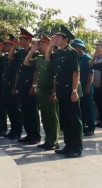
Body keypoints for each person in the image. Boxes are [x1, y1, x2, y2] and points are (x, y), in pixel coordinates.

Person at [46, 25, 83, 158]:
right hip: (61, 90)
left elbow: (76, 72)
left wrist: (74, 90)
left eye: (58, 37)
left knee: (74, 119)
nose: (56, 38)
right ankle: (68, 145)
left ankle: (76, 147)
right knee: (65, 120)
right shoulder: (59, 53)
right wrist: (50, 45)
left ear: (66, 39)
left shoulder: (72, 52)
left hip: (70, 90)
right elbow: (47, 58)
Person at [25, 35, 59, 150]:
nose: (39, 46)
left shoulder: (53, 58)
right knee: (44, 117)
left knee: (52, 117)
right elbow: (26, 62)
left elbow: (56, 77)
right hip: (41, 90)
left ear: (49, 45)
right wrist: (31, 51)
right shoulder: (39, 58)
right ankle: (48, 140)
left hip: (50, 90)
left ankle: (54, 140)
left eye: (42, 44)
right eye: (39, 44)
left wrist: (54, 93)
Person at [13, 28, 40, 144]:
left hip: (30, 86)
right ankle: (29, 134)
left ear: (28, 40)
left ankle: (35, 136)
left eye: (21, 39)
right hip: (22, 86)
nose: (19, 41)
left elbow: (36, 71)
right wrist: (16, 86)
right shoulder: (21, 53)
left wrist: (34, 85)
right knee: (24, 112)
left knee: (32, 112)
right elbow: (19, 71)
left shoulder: (35, 53)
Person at [2, 34, 22, 139]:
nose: (5, 46)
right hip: (7, 85)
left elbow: (17, 73)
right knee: (10, 109)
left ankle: (17, 131)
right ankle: (13, 129)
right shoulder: (7, 55)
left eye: (7, 44)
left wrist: (15, 87)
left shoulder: (18, 54)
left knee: (15, 110)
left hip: (13, 86)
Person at [73, 39, 95, 136]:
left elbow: (91, 75)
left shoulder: (87, 59)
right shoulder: (74, 58)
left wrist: (87, 87)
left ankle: (91, 127)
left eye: (75, 46)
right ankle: (82, 126)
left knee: (88, 107)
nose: (74, 48)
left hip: (86, 87)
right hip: (77, 87)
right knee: (80, 107)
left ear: (81, 48)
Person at [89, 42, 102, 128]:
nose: (97, 50)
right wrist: (95, 56)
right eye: (96, 48)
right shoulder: (95, 59)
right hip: (96, 86)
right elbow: (90, 66)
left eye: (99, 48)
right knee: (98, 103)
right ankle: (100, 121)